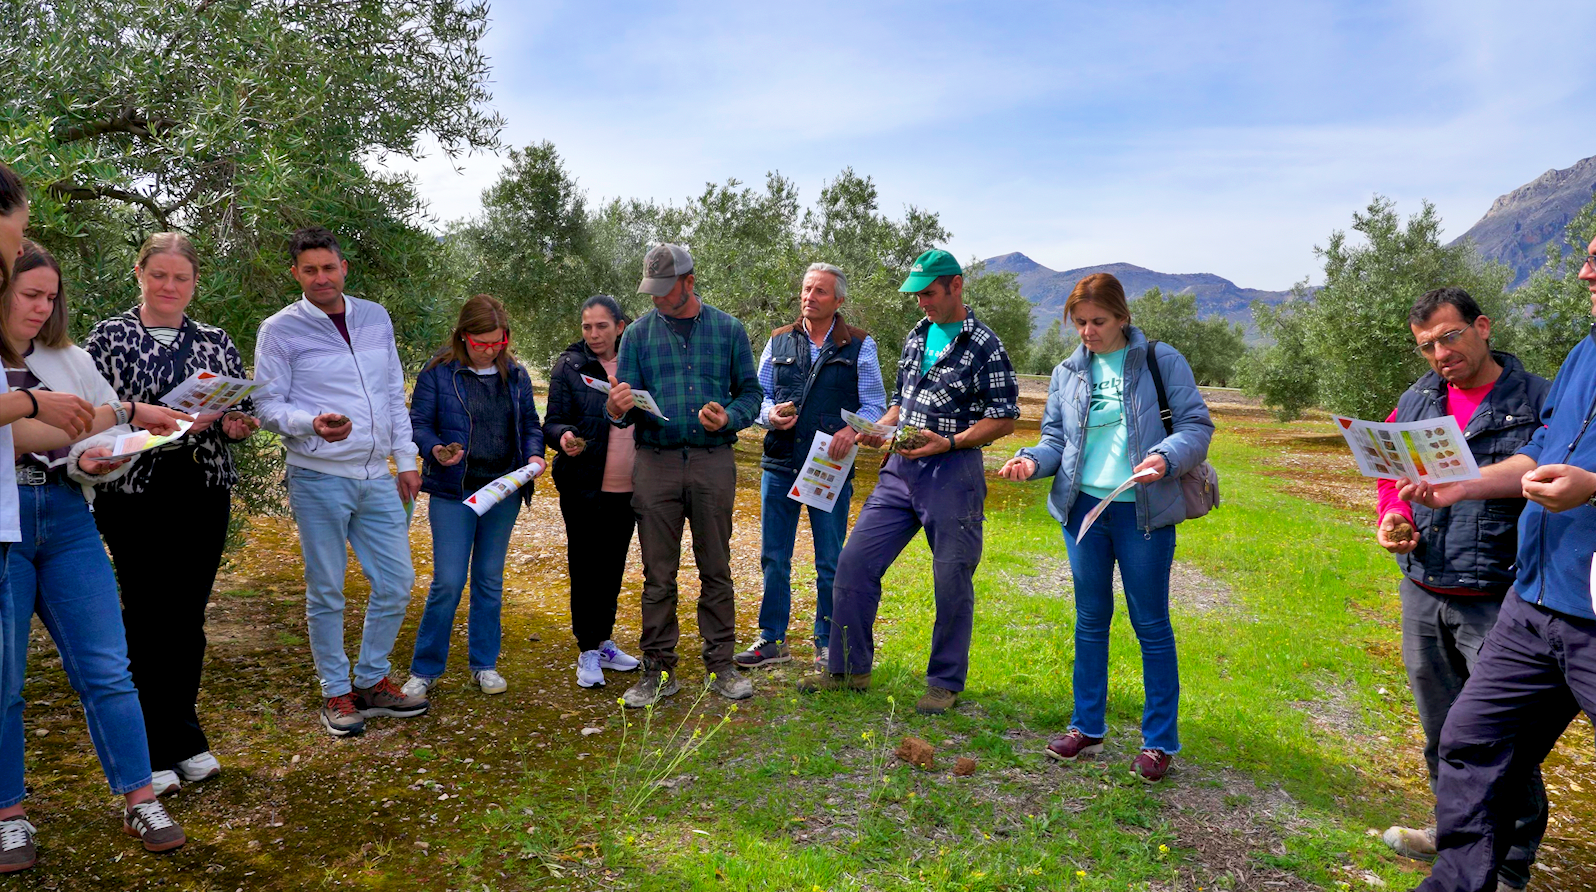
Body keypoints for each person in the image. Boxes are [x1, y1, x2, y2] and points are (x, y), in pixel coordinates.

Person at [1402, 241, 1596, 892]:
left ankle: (1512, 865)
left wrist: (1593, 485)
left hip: (1572, 609)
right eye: (1587, 254)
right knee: (1470, 742)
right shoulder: (1583, 354)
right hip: (1535, 597)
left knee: (1488, 750)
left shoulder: (1530, 384)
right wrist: (1464, 487)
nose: (1584, 269)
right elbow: (1541, 453)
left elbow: (1572, 468)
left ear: (1481, 329)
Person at [0, 239, 194, 867]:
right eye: (30, 294)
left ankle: (141, 797)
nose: (40, 307)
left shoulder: (70, 358)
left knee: (109, 666)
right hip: (4, 524)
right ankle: (9, 814)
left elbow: (100, 438)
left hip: (65, 514)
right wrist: (107, 417)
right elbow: (36, 429)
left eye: (50, 297)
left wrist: (99, 455)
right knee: (5, 682)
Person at [997, 272, 1213, 781]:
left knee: (1151, 626)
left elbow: (1196, 427)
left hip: (1142, 512)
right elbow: (1055, 439)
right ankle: (1086, 729)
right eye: (1080, 323)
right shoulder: (1066, 373)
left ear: (1122, 318)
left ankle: (1159, 742)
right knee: (1090, 621)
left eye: (1098, 321)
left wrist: (1165, 456)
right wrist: (1032, 461)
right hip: (1083, 513)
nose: (1088, 332)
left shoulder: (1161, 360)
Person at [1369, 288, 1549, 884]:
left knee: (1505, 738)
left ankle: (1510, 863)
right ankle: (1455, 837)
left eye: (1450, 337)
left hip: (1503, 593)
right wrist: (1390, 518)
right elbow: (1392, 476)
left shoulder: (1538, 400)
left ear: (1482, 327)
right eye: (1427, 346)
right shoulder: (1416, 400)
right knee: (1443, 729)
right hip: (1425, 585)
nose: (1441, 354)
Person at [798, 249, 1019, 716]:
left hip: (953, 473)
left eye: (930, 293)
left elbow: (1003, 419)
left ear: (956, 286)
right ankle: (848, 670)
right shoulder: (917, 336)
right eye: (917, 294)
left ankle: (943, 682)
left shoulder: (985, 344)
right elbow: (900, 401)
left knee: (951, 578)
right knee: (854, 563)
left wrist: (952, 442)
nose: (922, 303)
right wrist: (878, 428)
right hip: (899, 470)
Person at [83, 232, 261, 798]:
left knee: (187, 615)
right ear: (138, 273)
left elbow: (240, 411)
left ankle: (184, 737)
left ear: (194, 283)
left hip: (202, 488)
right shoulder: (109, 336)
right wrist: (148, 422)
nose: (169, 286)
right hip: (133, 490)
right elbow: (93, 414)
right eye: (159, 274)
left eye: (180, 278)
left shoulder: (214, 340)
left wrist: (236, 424)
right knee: (146, 612)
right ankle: (149, 749)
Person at [254, 226, 426, 737]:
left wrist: (407, 458)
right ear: (296, 274)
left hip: (376, 475)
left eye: (329, 267)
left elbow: (393, 394)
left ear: (344, 267)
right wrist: (312, 422)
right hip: (318, 476)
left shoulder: (374, 316)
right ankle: (336, 691)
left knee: (396, 582)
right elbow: (267, 407)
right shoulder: (279, 329)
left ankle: (372, 680)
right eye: (310, 270)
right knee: (326, 589)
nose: (321, 277)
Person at [606, 244, 761, 707]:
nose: (655, 298)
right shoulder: (635, 335)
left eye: (664, 291)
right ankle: (657, 671)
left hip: (714, 461)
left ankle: (722, 666)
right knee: (658, 573)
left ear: (689, 283)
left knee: (716, 566)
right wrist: (617, 410)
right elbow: (626, 402)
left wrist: (730, 417)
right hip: (655, 461)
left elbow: (751, 393)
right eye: (650, 290)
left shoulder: (729, 330)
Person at [735, 263, 886, 671]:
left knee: (830, 559)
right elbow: (757, 396)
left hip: (829, 466)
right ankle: (772, 640)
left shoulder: (859, 345)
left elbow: (875, 405)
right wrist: (770, 415)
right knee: (774, 556)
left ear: (838, 300)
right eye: (806, 289)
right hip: (780, 462)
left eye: (819, 291)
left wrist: (851, 433)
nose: (809, 297)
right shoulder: (779, 340)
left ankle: (827, 641)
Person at [401, 295, 544, 700]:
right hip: (453, 489)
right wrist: (436, 450)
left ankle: (484, 664)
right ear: (463, 336)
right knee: (447, 580)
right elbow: (419, 424)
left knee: (489, 579)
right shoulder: (439, 373)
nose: (489, 349)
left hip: (502, 490)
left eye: (497, 342)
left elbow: (530, 424)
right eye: (481, 342)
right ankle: (425, 669)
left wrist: (534, 454)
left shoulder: (515, 375)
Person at [543, 295, 642, 689]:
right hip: (583, 485)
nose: (594, 334)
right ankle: (586, 649)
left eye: (602, 326)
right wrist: (564, 436)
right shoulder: (570, 366)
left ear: (620, 327)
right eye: (587, 327)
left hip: (629, 488)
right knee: (585, 566)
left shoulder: (638, 364)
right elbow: (552, 423)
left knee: (613, 566)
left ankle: (604, 641)